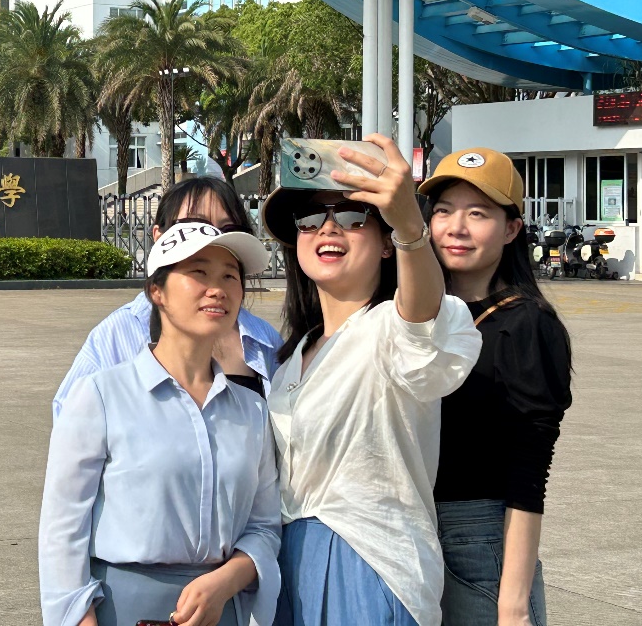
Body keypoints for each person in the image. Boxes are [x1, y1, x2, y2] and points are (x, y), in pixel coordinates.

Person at [260, 134, 482, 626]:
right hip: (290, 565)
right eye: (309, 218)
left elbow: (421, 320)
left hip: (370, 562)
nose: (328, 227)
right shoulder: (296, 352)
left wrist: (410, 227)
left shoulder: (390, 329)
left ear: (386, 243)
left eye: (353, 215)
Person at [38, 222, 282, 626]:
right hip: (121, 610)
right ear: (157, 291)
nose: (217, 289)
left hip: (223, 611)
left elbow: (265, 526)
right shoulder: (101, 396)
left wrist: (226, 581)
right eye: (199, 273)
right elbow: (62, 529)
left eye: (230, 276)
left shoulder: (251, 410)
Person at [419, 149, 573, 626]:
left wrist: (513, 603)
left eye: (478, 213)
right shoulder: (413, 316)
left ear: (511, 229)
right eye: (444, 211)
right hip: (408, 533)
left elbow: (530, 469)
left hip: (478, 541)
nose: (456, 228)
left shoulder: (526, 324)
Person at [53, 177, 282, 418]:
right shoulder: (117, 334)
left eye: (229, 230)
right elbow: (69, 419)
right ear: (159, 236)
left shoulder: (263, 339)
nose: (213, 239)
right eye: (194, 226)